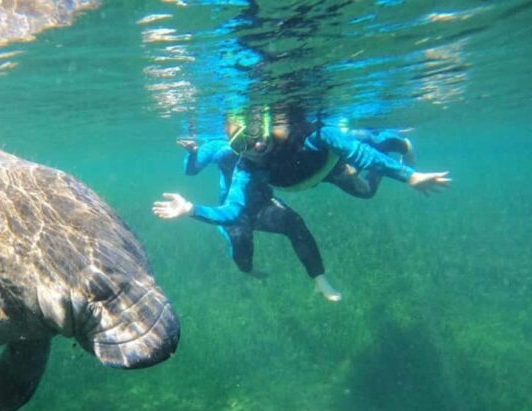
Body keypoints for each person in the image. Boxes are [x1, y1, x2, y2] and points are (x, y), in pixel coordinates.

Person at [153, 110, 451, 298]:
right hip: (299, 181)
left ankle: (394, 142)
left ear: (265, 124)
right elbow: (231, 210)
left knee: (357, 149)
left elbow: (357, 153)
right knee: (361, 185)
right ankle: (311, 278)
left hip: (322, 167)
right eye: (242, 144)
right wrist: (190, 208)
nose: (255, 146)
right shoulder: (246, 167)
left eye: (254, 134)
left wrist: (410, 177)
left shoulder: (308, 135)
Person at [174, 136, 342, 302]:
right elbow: (191, 170)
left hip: (263, 204)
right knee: (242, 251)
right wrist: (193, 153)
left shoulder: (269, 143)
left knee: (294, 222)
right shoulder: (219, 146)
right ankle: (248, 270)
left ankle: (320, 280)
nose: (254, 142)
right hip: (234, 211)